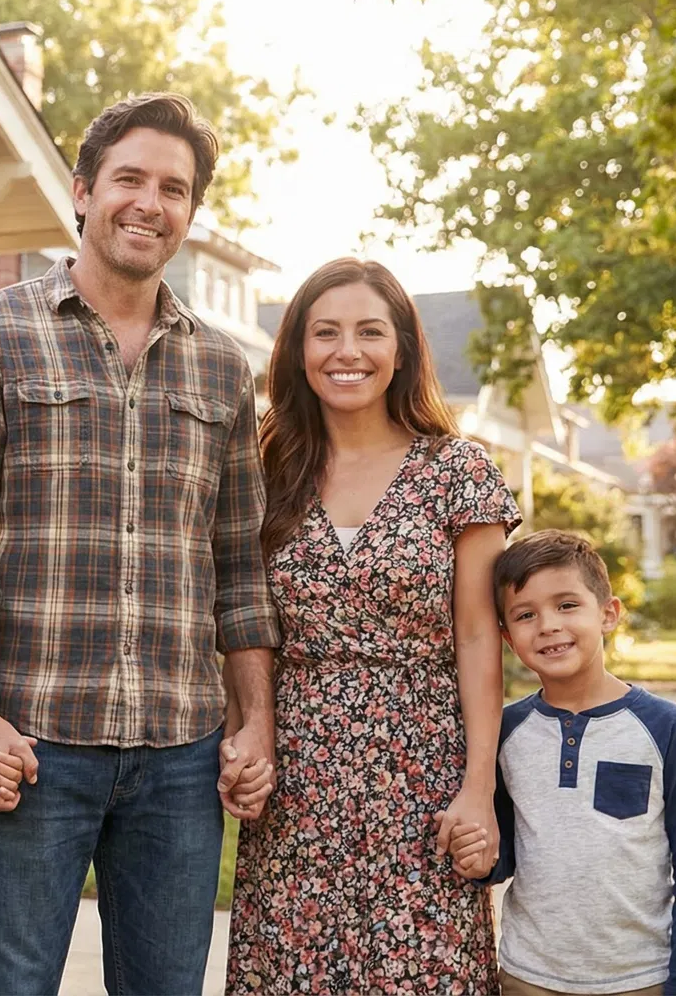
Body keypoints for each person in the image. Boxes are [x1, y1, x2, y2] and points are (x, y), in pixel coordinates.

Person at [0, 92, 281, 995]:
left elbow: (238, 569)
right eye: (129, 179)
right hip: (32, 742)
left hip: (181, 753)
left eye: (174, 188)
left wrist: (255, 720)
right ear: (81, 192)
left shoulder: (224, 368)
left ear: (190, 215)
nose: (148, 203)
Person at [227, 257, 520, 994]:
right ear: (297, 350)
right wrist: (245, 733)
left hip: (424, 780)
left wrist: (479, 786)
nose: (346, 351)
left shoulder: (459, 470)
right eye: (324, 332)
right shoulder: (264, 469)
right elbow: (239, 618)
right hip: (298, 786)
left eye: (368, 331)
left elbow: (480, 638)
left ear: (403, 349)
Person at [447, 530, 676, 996]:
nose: (548, 625)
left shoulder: (663, 727)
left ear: (608, 614)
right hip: (527, 977)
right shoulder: (505, 731)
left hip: (639, 980)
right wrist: (481, 861)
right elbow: (509, 848)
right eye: (526, 615)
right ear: (508, 639)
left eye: (567, 605)